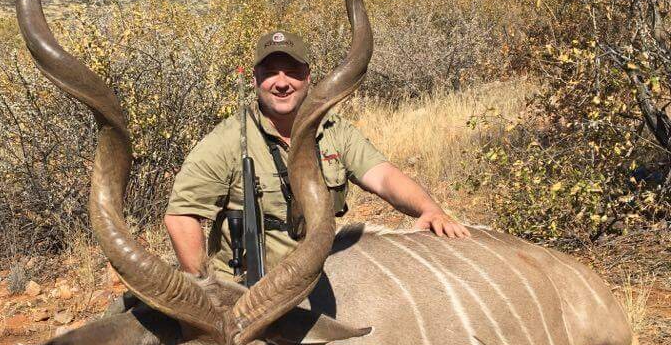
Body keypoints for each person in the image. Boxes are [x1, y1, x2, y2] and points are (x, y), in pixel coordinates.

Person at [164, 29, 470, 278]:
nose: (282, 83)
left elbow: (384, 176)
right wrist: (207, 292)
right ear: (256, 79)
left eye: (293, 72)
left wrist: (429, 209)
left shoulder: (333, 131)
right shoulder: (228, 140)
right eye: (271, 73)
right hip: (247, 293)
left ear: (308, 77)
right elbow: (180, 216)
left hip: (317, 278)